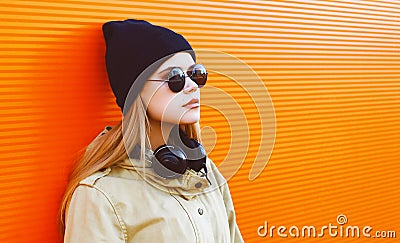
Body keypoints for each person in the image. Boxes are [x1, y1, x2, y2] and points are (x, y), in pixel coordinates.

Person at [59, 19, 244, 243]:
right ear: (135, 91)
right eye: (174, 77)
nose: (192, 86)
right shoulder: (99, 195)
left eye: (196, 73)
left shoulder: (206, 170)